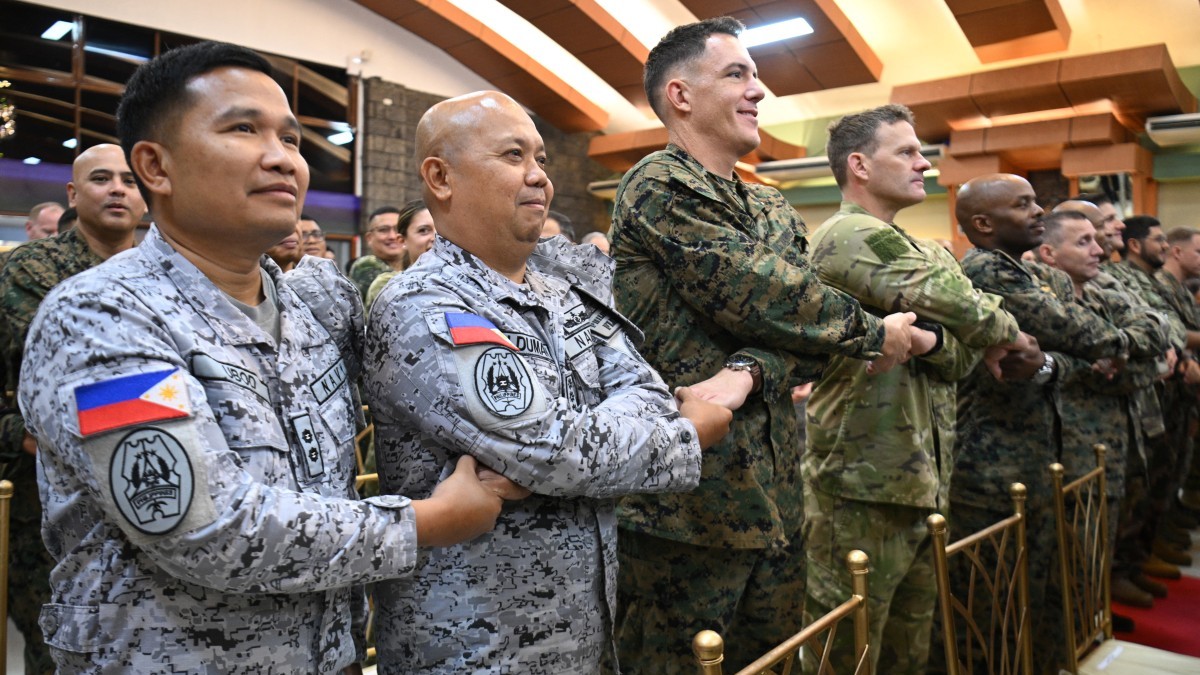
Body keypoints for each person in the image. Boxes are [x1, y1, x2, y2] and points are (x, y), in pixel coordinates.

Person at [18, 41, 522, 673]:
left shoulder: (313, 307)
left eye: (291, 138)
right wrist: (426, 521)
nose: (281, 157)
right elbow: (206, 529)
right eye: (243, 129)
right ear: (155, 165)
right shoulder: (99, 318)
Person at [363, 90, 732, 675]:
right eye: (513, 156)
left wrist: (548, 461)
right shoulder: (424, 303)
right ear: (440, 177)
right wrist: (685, 433)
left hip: (585, 628)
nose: (539, 177)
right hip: (476, 646)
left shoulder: (560, 290)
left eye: (541, 158)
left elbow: (646, 391)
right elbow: (554, 447)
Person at [608, 18, 930, 674]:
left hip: (778, 501)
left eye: (755, 75)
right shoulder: (658, 184)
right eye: (737, 74)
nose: (760, 90)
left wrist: (751, 370)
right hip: (684, 511)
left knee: (775, 662)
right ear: (681, 96)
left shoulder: (774, 207)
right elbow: (773, 298)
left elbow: (806, 334)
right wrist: (875, 332)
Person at [804, 113, 1029, 675]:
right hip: (857, 486)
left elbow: (959, 356)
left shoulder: (923, 248)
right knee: (847, 656)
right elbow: (961, 304)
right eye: (906, 152)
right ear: (859, 165)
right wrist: (1003, 330)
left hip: (923, 481)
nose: (924, 163)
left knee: (912, 652)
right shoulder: (846, 235)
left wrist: (927, 340)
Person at [950, 181, 1162, 673]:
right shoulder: (986, 267)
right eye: (1022, 204)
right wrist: (1120, 343)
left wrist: (1068, 354)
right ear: (984, 223)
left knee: (1036, 595)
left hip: (1035, 458)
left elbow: (1065, 340)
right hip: (992, 468)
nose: (1038, 209)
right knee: (991, 611)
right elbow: (1072, 329)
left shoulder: (1033, 272)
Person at [0, 143, 146, 675]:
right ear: (73, 194)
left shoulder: (164, 269)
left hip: (137, 494)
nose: (117, 189)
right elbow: (77, 385)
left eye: (129, 180)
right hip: (49, 499)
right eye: (101, 179)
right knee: (64, 646)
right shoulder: (36, 271)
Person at [364, 199, 435, 311]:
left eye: (441, 230)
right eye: (423, 230)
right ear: (402, 240)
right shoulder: (388, 285)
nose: (435, 238)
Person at [349, 205, 404, 298]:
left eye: (398, 229)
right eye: (383, 230)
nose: (392, 236)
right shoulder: (365, 266)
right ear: (369, 238)